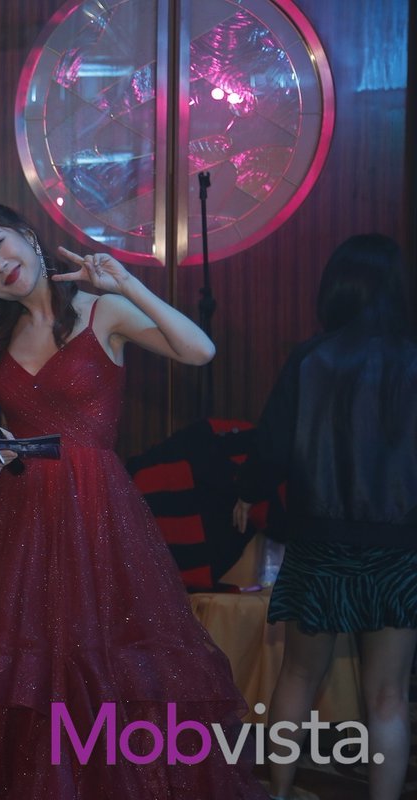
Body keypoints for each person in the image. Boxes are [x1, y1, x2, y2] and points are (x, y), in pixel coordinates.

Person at [0, 201, 267, 798]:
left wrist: (127, 284)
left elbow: (199, 351)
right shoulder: (0, 340)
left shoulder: (102, 310)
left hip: (98, 513)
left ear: (25, 234)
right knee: (26, 669)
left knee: (110, 660)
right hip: (21, 520)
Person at [233, 234, 417, 800]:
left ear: (336, 287)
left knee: (297, 675)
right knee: (389, 695)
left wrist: (248, 493)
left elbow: (271, 446)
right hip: (399, 547)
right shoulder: (413, 359)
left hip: (318, 542)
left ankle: (279, 792)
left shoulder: (310, 358)